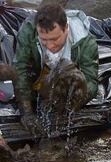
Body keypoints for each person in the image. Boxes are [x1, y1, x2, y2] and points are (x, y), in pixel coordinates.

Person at [13, 3, 99, 133]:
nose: (50, 46)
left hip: (65, 84)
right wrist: (26, 112)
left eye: (55, 39)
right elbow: (20, 69)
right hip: (37, 74)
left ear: (66, 28)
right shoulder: (28, 31)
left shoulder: (86, 42)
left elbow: (92, 82)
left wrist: (72, 103)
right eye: (44, 40)